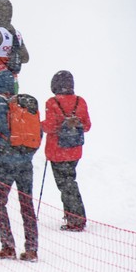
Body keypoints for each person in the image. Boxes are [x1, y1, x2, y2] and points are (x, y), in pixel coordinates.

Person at [0, 70, 39, 262]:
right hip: (25, 164)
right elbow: (38, 133)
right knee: (27, 204)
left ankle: (8, 246)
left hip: (5, 163)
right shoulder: (23, 104)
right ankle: (31, 249)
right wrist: (27, 154)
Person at [41, 70, 91, 231]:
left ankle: (75, 218)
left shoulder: (52, 102)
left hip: (57, 151)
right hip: (75, 150)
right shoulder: (80, 101)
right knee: (70, 182)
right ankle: (72, 215)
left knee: (66, 185)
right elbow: (87, 126)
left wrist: (38, 124)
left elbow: (50, 126)